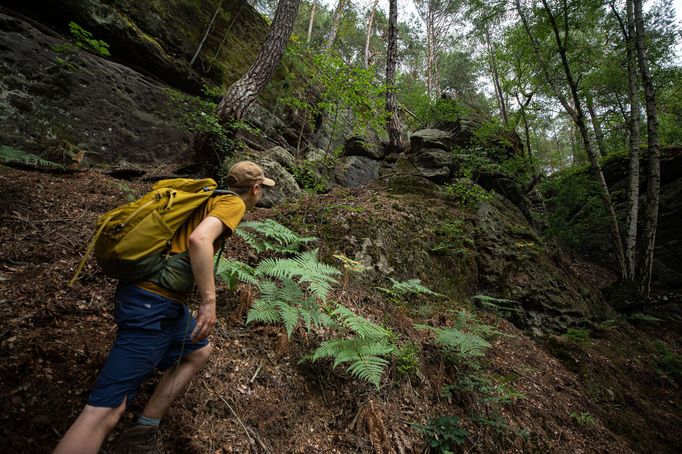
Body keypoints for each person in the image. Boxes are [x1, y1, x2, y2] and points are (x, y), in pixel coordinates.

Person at [54, 161, 276, 454]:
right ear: (256, 188)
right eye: (263, 189)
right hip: (152, 305)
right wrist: (210, 301)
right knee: (103, 412)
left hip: (156, 299)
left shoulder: (206, 197)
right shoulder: (232, 203)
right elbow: (199, 240)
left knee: (198, 349)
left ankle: (144, 429)